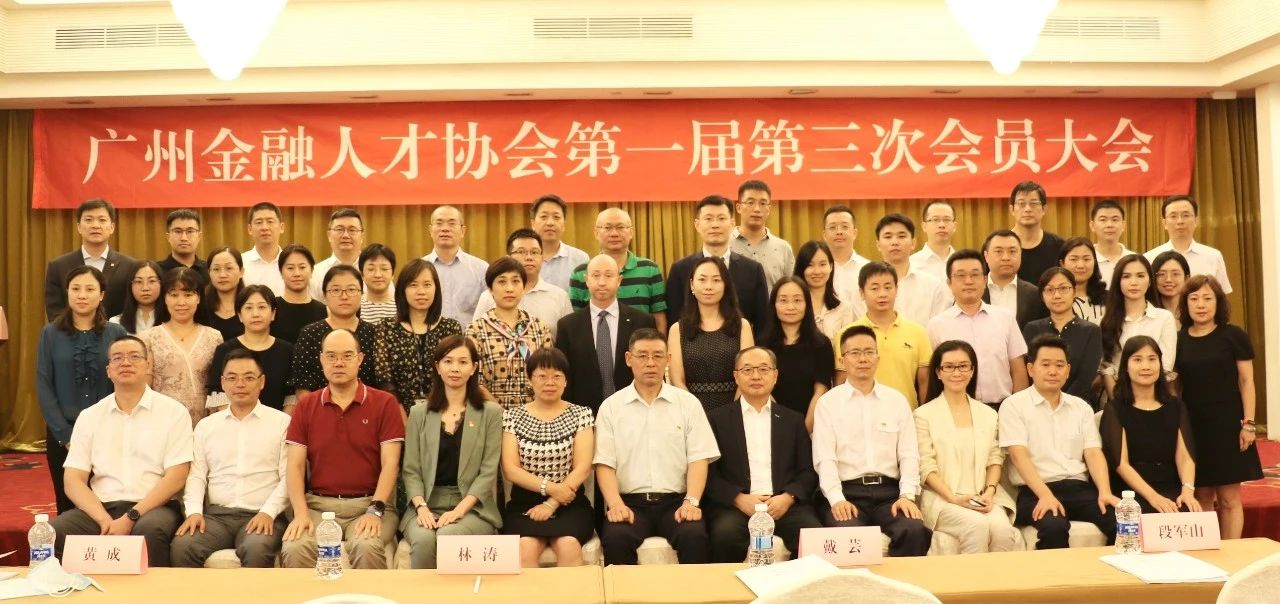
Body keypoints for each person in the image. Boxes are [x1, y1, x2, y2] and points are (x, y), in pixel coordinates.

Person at [49, 335, 193, 567]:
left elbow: (177, 475)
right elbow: (73, 479)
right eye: (117, 358)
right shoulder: (90, 416)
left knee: (149, 530)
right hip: (102, 507)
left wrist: (131, 517)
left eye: (134, 357)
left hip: (154, 507)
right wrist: (103, 519)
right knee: (54, 532)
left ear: (148, 366)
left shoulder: (173, 412)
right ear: (108, 370)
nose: (125, 363)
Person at [281, 329, 404, 569]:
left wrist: (375, 509)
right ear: (321, 360)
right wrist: (301, 512)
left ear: (360, 359)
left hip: (370, 503)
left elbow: (391, 464)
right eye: (331, 356)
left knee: (366, 546)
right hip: (318, 506)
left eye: (347, 356)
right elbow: (294, 466)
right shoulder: (306, 405)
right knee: (295, 547)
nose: (338, 363)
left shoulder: (384, 403)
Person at [594, 328, 719, 565]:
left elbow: (699, 458)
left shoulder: (688, 404)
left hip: (676, 502)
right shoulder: (611, 407)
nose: (650, 363)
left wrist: (691, 501)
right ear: (628, 359)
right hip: (629, 502)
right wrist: (615, 504)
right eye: (642, 356)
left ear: (668, 359)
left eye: (657, 356)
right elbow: (604, 463)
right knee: (617, 537)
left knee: (694, 535)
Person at [812, 325, 930, 556]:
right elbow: (824, 459)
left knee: (913, 529)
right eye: (855, 353)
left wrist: (907, 496)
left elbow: (909, 454)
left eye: (868, 352)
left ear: (878, 357)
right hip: (847, 491)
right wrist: (837, 500)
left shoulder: (896, 401)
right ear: (842, 360)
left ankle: (902, 582)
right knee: (848, 534)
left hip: (889, 494)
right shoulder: (828, 403)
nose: (863, 359)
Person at [172, 349, 291, 568]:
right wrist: (194, 513)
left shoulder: (282, 423)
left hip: (262, 514)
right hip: (217, 517)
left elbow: (289, 477)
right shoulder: (206, 426)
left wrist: (268, 512)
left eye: (249, 377)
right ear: (223, 383)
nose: (240, 384)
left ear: (262, 382)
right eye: (232, 378)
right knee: (184, 546)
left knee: (257, 548)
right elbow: (197, 476)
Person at [999, 335, 1118, 550]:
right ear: (1030, 369)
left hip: (1079, 488)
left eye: (1059, 365)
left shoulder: (1081, 407)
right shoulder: (1014, 406)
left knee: (1123, 521)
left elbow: (1093, 453)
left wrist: (1105, 491)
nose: (1053, 371)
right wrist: (1045, 495)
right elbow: (1018, 456)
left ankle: (1106, 571)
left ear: (1068, 370)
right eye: (1045, 365)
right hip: (1035, 490)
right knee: (1054, 527)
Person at [705, 347, 820, 562]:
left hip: (784, 504)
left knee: (812, 535)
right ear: (736, 376)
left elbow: (807, 471)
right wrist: (738, 498)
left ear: (775, 376)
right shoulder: (716, 420)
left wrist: (788, 497)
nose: (756, 376)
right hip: (737, 507)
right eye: (748, 370)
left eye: (763, 369)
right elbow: (709, 474)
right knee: (724, 535)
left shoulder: (793, 420)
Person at [400, 334, 503, 569]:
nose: (455, 368)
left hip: (473, 507)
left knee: (448, 535)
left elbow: (488, 472)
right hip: (426, 502)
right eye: (448, 361)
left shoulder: (491, 413)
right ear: (438, 367)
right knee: (424, 540)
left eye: (463, 362)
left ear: (474, 368)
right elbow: (411, 470)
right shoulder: (419, 413)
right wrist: (421, 507)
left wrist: (459, 510)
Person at [1176, 275, 1262, 539]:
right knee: (1201, 496)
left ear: (1218, 302)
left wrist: (1249, 424)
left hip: (1227, 425)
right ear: (1185, 304)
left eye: (1207, 298)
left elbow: (1247, 382)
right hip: (1193, 425)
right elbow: (1175, 386)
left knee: (1228, 498)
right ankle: (1206, 551)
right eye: (1194, 299)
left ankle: (1232, 552)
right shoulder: (1178, 339)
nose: (1201, 305)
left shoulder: (1233, 335)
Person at [37, 266, 127, 513]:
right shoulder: (50, 333)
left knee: (110, 501)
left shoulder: (116, 333)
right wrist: (65, 436)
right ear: (67, 293)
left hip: (108, 432)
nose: (82, 295)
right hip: (63, 433)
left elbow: (124, 382)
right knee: (68, 503)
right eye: (75, 289)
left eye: (90, 289)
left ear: (102, 295)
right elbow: (44, 385)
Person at [915, 340, 1019, 553]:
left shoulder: (988, 414)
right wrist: (953, 498)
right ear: (938, 372)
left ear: (972, 370)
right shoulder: (923, 415)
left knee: (1002, 530)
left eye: (963, 366)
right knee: (976, 525)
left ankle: (1002, 577)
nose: (957, 372)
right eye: (949, 367)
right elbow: (926, 467)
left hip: (982, 496)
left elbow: (995, 459)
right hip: (943, 499)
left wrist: (989, 491)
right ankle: (974, 576)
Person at [501, 348, 595, 567]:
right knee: (526, 546)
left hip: (569, 503)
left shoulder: (581, 414)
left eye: (557, 376)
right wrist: (550, 489)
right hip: (524, 504)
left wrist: (552, 503)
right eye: (542, 376)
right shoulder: (512, 416)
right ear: (530, 379)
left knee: (568, 544)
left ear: (566, 381)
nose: (550, 382)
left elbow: (583, 467)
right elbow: (510, 469)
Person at [1099, 336, 1200, 514]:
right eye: (1137, 360)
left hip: (1170, 486)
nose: (1146, 366)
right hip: (1131, 492)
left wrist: (1188, 490)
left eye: (1152, 359)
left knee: (1188, 510)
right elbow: (1121, 464)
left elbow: (1185, 456)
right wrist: (1153, 497)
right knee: (1151, 513)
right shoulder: (1115, 409)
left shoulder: (1175, 406)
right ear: (1126, 367)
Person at [554, 254, 657, 414]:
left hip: (634, 410)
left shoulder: (642, 321)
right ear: (586, 280)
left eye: (608, 276)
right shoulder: (568, 325)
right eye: (596, 276)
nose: (602, 282)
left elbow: (651, 367)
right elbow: (563, 374)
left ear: (619, 280)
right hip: (583, 413)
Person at [927, 250, 1028, 406]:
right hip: (956, 408)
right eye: (961, 275)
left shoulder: (1005, 318)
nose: (968, 281)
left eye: (975, 275)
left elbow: (1018, 369)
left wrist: (1020, 409)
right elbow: (933, 375)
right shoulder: (936, 325)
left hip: (1002, 407)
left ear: (985, 280)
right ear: (949, 282)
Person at [665, 195, 771, 338]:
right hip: (692, 347)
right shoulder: (680, 269)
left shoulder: (753, 270)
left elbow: (763, 323)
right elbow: (673, 319)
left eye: (721, 218)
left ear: (732, 223)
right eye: (708, 219)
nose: (715, 225)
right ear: (697, 224)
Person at [373, 259, 464, 415]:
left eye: (427, 284)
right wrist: (401, 417)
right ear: (402, 290)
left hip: (445, 411)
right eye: (413, 285)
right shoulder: (386, 328)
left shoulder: (450, 327)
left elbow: (457, 374)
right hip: (398, 413)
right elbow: (384, 379)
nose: (421, 291)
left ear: (436, 289)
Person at [835, 262, 931, 408]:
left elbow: (925, 382)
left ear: (896, 289)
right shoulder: (847, 335)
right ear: (861, 293)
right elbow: (841, 383)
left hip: (905, 414)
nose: (882, 294)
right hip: (860, 414)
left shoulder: (918, 333)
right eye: (874, 288)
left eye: (888, 287)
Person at [464, 258, 555, 410]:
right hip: (491, 415)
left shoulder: (539, 328)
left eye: (515, 281)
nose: (509, 289)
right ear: (490, 289)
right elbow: (474, 381)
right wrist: (504, 415)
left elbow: (549, 374)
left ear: (524, 287)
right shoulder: (476, 330)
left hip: (535, 413)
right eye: (502, 282)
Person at [139, 267, 224, 427]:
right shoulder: (148, 338)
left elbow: (219, 385)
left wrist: (219, 419)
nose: (181, 302)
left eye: (188, 295)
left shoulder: (214, 337)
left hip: (206, 424)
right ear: (164, 298)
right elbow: (144, 389)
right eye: (174, 295)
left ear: (199, 298)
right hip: (163, 423)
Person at [668, 257, 755, 413]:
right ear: (692, 285)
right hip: (691, 409)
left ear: (725, 285)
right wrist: (695, 413)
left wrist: (732, 413)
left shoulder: (742, 326)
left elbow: (747, 374)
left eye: (716, 280)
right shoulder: (677, 329)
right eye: (702, 280)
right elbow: (677, 380)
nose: (709, 286)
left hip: (735, 408)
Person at [568, 208, 668, 333]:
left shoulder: (649, 269)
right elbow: (575, 321)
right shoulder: (581, 273)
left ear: (631, 232)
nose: (614, 233)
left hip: (641, 344)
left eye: (620, 227)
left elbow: (659, 318)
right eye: (607, 228)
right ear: (596, 233)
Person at [293, 265, 379, 398]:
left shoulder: (375, 333)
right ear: (324, 295)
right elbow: (302, 386)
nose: (344, 296)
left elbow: (382, 383)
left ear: (362, 294)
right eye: (336, 290)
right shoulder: (310, 334)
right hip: (319, 407)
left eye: (351, 290)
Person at [206, 285, 296, 412]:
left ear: (273, 313)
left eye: (262, 307)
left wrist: (281, 422)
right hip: (233, 422)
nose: (255, 314)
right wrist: (240, 420)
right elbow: (217, 394)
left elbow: (291, 396)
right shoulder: (224, 350)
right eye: (248, 308)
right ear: (239, 315)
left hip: (278, 422)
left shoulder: (287, 350)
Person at [759, 276, 833, 431]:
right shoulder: (762, 345)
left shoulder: (821, 344)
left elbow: (821, 391)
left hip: (812, 426)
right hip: (771, 425)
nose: (790, 307)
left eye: (797, 300)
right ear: (773, 305)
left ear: (807, 304)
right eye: (783, 300)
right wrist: (782, 428)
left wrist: (804, 430)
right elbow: (762, 389)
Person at [1022, 268, 1103, 407]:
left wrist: (1060, 404)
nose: (1057, 295)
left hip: (1078, 406)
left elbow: (1085, 379)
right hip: (1037, 406)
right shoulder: (1032, 328)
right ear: (1042, 295)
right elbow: (1030, 372)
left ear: (1074, 292)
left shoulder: (1091, 331)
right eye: (1050, 290)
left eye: (1063, 288)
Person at [44, 198, 137, 320]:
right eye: (88, 220)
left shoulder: (130, 266)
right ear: (79, 227)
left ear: (112, 227)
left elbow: (132, 310)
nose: (95, 225)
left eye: (102, 220)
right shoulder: (58, 266)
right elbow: (55, 312)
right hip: (70, 331)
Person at [471, 229, 573, 338]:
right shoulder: (489, 297)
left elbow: (569, 339)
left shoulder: (560, 297)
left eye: (534, 252)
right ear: (508, 258)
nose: (529, 257)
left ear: (542, 257)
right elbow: (476, 335)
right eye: (521, 252)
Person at [1099, 254, 1176, 396]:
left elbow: (1165, 366)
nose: (1134, 282)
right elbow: (1106, 366)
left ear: (1150, 281)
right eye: (1126, 276)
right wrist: (1117, 401)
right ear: (1118, 282)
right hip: (1115, 395)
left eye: (1140, 276)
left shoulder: (1164, 318)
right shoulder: (1105, 318)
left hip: (1154, 396)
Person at [1144, 195, 1233, 294]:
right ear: (1164, 223)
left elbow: (1222, 296)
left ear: (1196, 220)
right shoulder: (1149, 258)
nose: (1180, 221)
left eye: (1186, 215)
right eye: (1173, 216)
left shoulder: (1213, 256)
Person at [873, 214, 950, 325]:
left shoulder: (933, 285)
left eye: (901, 236)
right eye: (888, 237)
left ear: (913, 243)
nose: (895, 242)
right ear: (878, 245)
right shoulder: (867, 286)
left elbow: (939, 327)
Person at [424, 205, 489, 326]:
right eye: (439, 223)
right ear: (430, 230)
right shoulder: (419, 269)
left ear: (462, 231)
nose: (445, 229)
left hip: (469, 336)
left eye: (452, 223)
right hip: (428, 336)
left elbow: (490, 309)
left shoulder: (481, 269)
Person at [730, 180, 795, 288]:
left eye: (763, 203)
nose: (757, 209)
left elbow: (792, 289)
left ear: (769, 209)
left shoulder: (783, 248)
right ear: (738, 208)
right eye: (750, 203)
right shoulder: (724, 245)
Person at [981, 229, 1048, 330]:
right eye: (998, 251)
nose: (1005, 257)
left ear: (1021, 254)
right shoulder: (974, 291)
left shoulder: (1035, 294)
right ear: (986, 256)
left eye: (1012, 251)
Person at [795, 240, 857, 342]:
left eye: (822, 264)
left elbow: (847, 346)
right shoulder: (792, 307)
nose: (817, 271)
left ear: (831, 266)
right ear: (801, 268)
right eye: (810, 265)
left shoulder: (843, 308)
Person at [531, 194, 589, 293]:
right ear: (533, 224)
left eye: (556, 217)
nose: (550, 223)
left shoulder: (580, 259)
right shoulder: (522, 259)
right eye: (544, 217)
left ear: (564, 225)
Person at [271, 244, 328, 344]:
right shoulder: (271, 308)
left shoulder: (323, 311)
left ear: (311, 270)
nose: (297, 273)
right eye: (290, 268)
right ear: (281, 272)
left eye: (302, 267)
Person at [1008, 181, 1063, 285]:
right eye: (1021, 204)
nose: (1027, 209)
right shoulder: (998, 245)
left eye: (1033, 204)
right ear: (1012, 209)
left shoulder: (1059, 245)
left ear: (1044, 209)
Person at [310, 208, 365, 299]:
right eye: (339, 229)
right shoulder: (316, 273)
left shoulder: (373, 272)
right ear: (329, 235)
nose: (346, 235)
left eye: (352, 230)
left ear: (362, 236)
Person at [822, 204, 871, 298]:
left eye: (844, 227)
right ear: (824, 235)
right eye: (832, 227)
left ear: (854, 233)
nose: (839, 232)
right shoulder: (817, 271)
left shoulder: (868, 268)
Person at [241, 201, 287, 296]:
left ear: (281, 227)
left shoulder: (291, 263)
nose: (265, 227)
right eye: (259, 222)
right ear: (250, 229)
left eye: (270, 221)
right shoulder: (240, 263)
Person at [1058, 237, 1107, 324]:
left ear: (1094, 262)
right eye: (1074, 259)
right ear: (1062, 263)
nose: (1080, 265)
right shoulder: (1055, 299)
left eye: (1086, 259)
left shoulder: (1109, 299)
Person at [202, 246, 246, 342]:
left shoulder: (251, 305)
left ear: (241, 271)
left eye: (229, 268)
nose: (222, 275)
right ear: (209, 273)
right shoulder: (200, 306)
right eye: (216, 269)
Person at [1088, 200, 1134, 288]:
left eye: (1115, 220)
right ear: (1092, 225)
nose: (1109, 225)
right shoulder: (1086, 260)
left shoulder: (1134, 259)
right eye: (1103, 220)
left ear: (1123, 225)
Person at [910, 200, 959, 283]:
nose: (941, 225)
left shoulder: (963, 262)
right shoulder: (912, 264)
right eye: (935, 220)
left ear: (954, 226)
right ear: (924, 226)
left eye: (947, 220)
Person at [110, 261, 162, 334]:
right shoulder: (116, 323)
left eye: (152, 281)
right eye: (139, 281)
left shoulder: (172, 321)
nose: (145, 288)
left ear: (161, 283)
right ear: (130, 286)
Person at [158, 209, 208, 284]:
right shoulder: (157, 272)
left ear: (199, 236)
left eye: (190, 231)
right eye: (178, 231)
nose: (184, 238)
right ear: (168, 237)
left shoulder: (210, 270)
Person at [358, 243, 398, 323]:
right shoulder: (355, 306)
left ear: (393, 273)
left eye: (384, 269)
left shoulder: (402, 306)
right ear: (362, 274)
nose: (378, 275)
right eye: (371, 269)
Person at [1152, 250, 1190, 320]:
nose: (1168, 279)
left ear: (1186, 278)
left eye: (1175, 274)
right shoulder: (1147, 312)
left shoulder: (1193, 312)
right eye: (1162, 274)